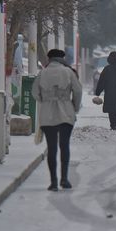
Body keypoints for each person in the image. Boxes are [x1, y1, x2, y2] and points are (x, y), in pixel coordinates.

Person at [32, 49, 82, 192]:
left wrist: (45, 100)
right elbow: (78, 91)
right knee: (64, 146)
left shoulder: (43, 73)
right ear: (62, 58)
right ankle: (64, 179)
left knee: (51, 147)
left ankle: (53, 182)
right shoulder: (68, 72)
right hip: (66, 112)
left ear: (49, 59)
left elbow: (35, 92)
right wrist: (74, 107)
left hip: (47, 114)